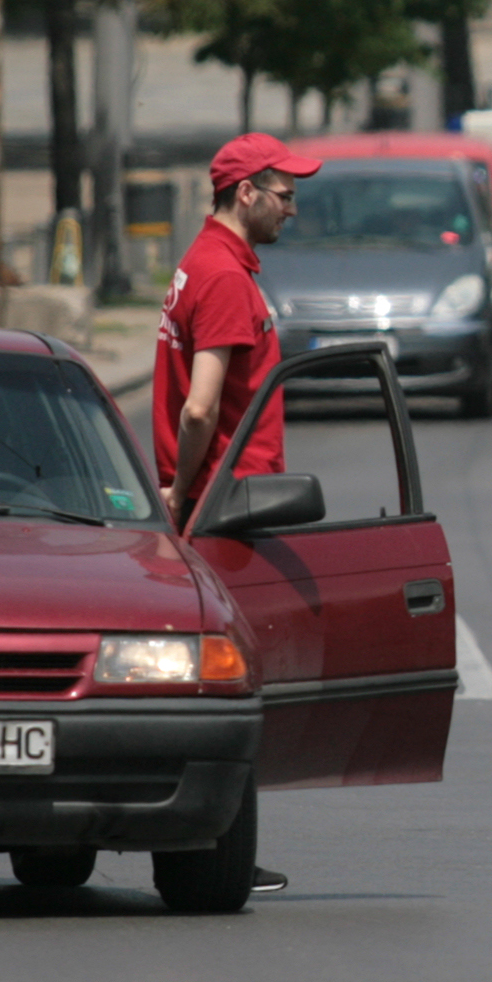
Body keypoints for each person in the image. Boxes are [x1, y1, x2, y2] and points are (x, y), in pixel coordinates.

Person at [154, 132, 323, 895]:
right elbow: (200, 408)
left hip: (213, 501)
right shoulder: (224, 278)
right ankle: (217, 850)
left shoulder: (203, 261)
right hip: (228, 508)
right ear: (246, 192)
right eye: (285, 194)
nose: (294, 208)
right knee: (234, 686)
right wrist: (184, 494)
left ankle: (212, 843)